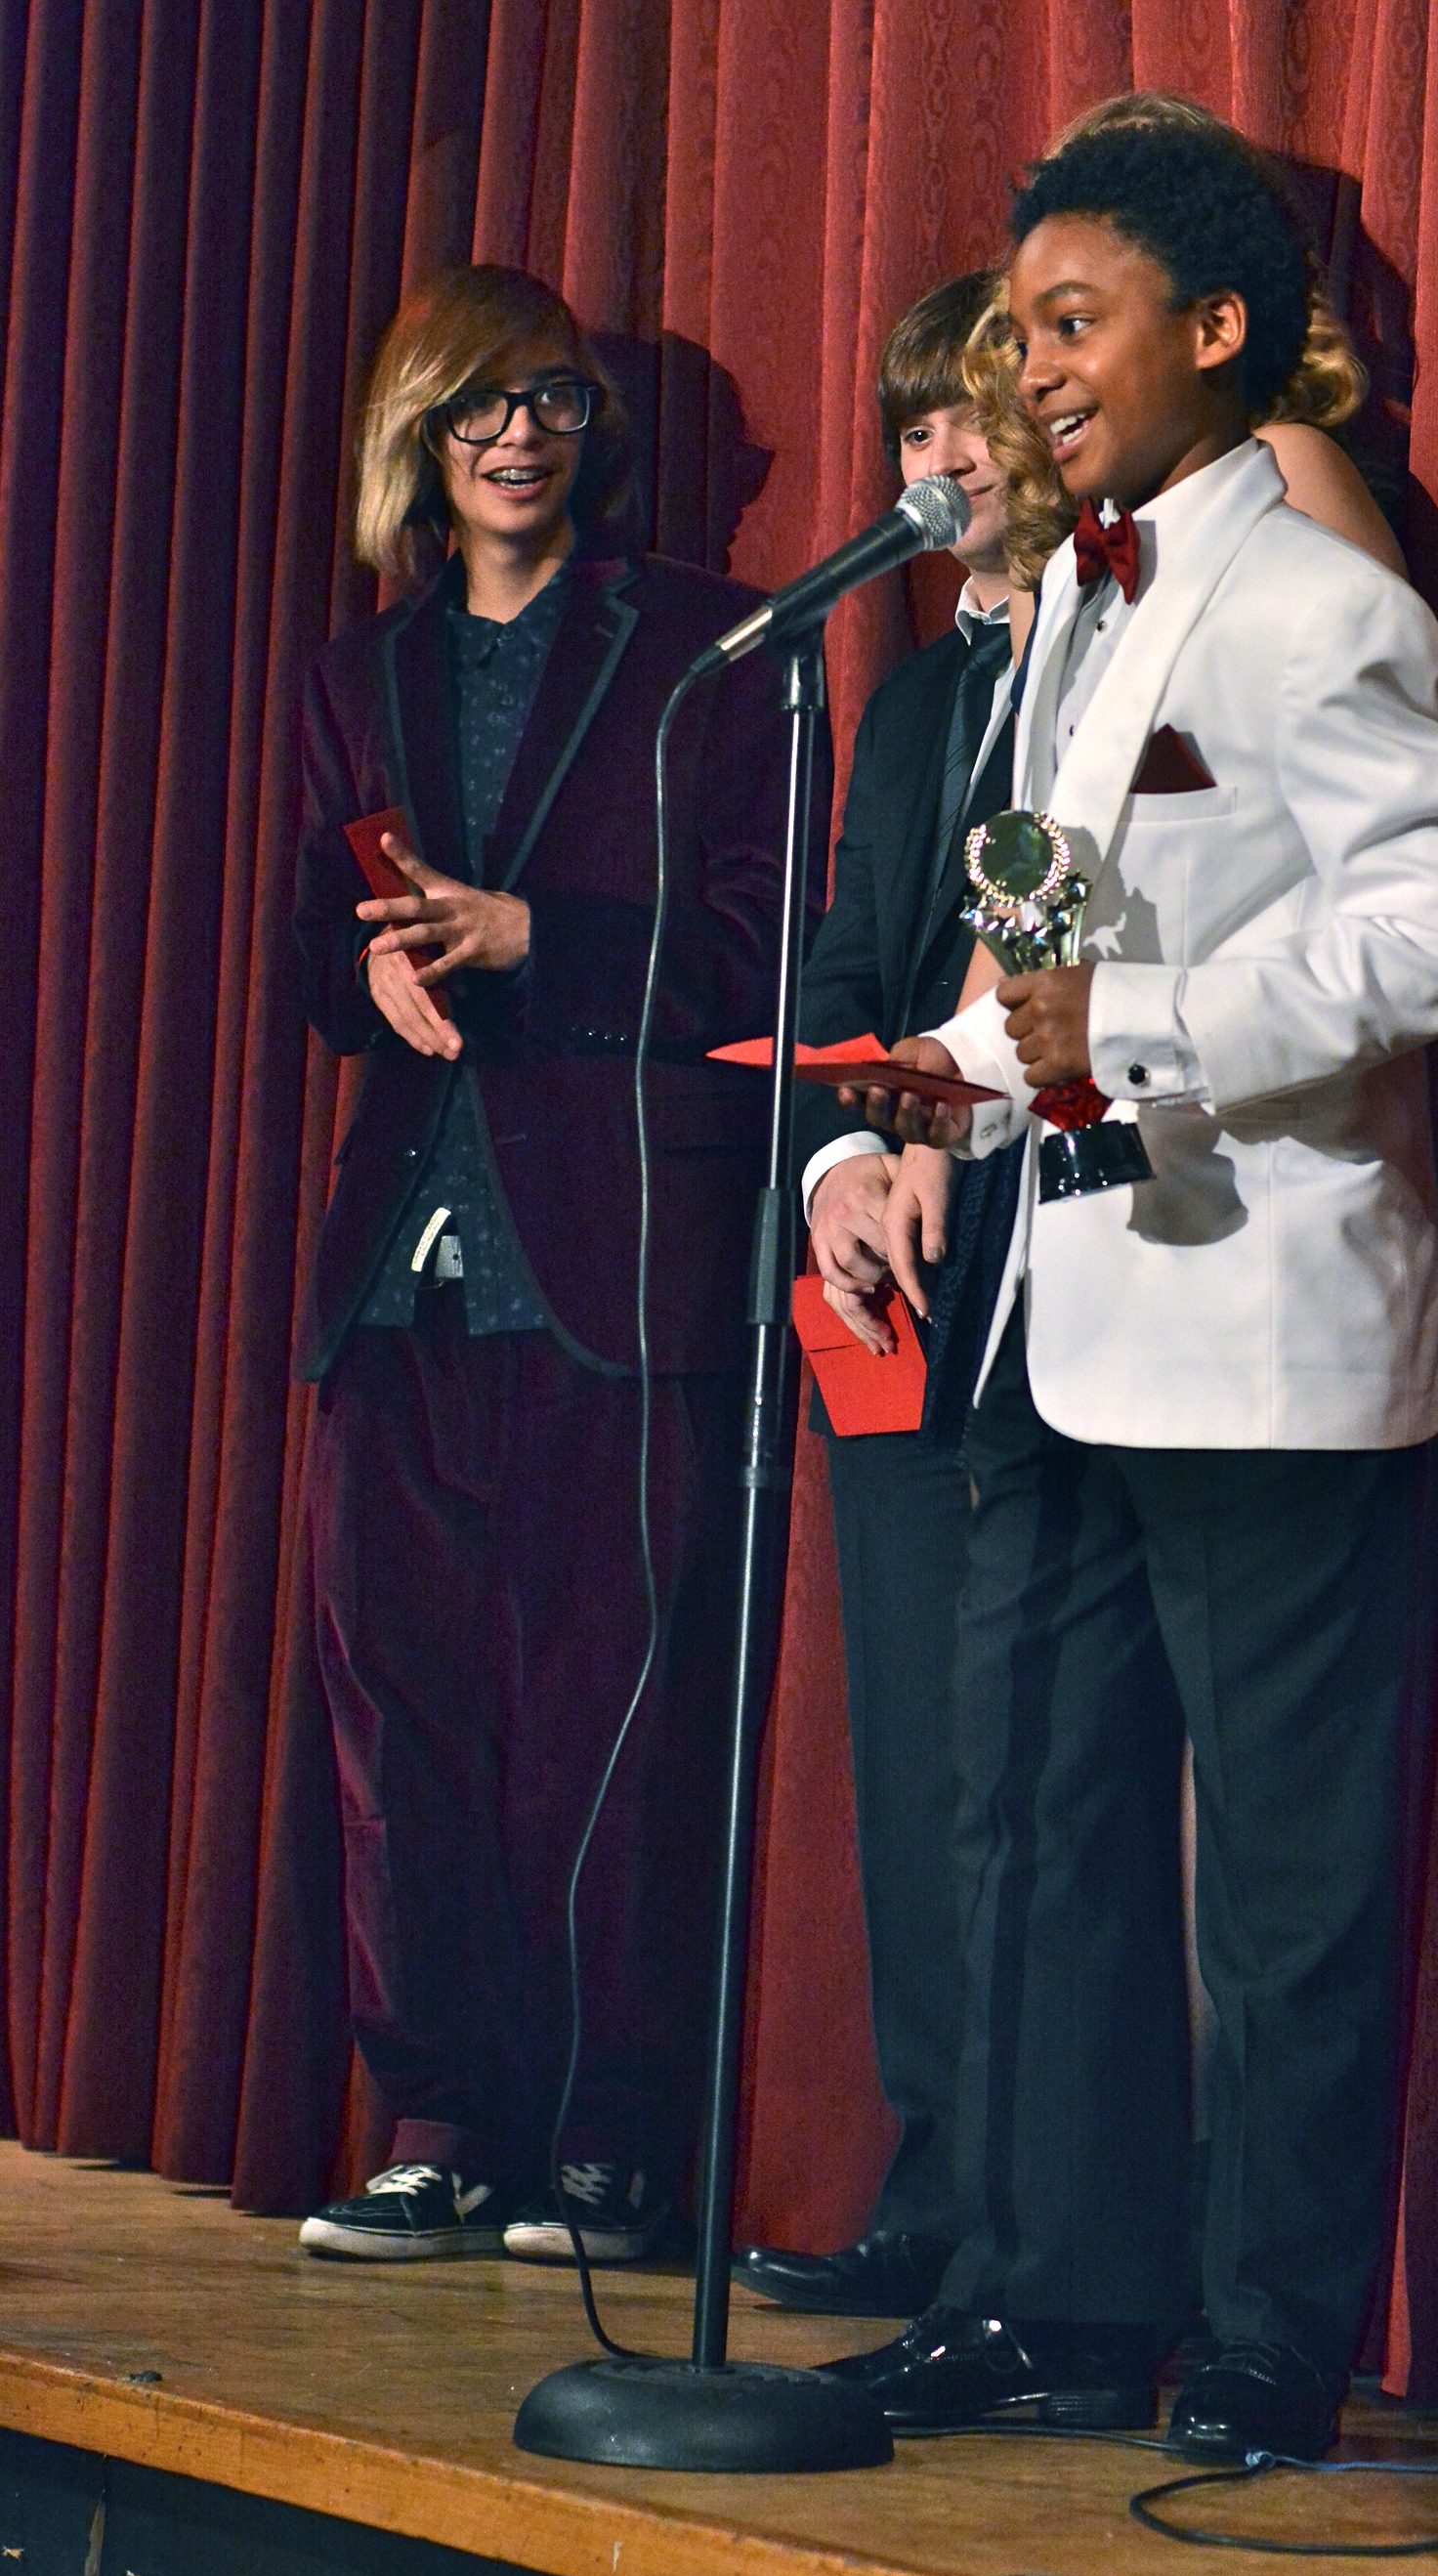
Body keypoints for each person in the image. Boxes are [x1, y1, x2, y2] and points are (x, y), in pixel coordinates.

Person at [822, 119, 1438, 2457]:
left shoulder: (1323, 600)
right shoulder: (1086, 609)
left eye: (1069, 323)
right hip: (1063, 1310)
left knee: (1286, 1882)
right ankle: (1056, 2292)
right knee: (1043, 1823)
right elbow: (1048, 962)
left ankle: (1267, 2334)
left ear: (1215, 334)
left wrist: (1144, 1035)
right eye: (1009, 330)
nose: (1026, 373)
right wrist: (920, 1094)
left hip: (1263, 1325)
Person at [290, 265, 804, 2267]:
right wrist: (381, 965)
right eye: (480, 408)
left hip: (622, 1245)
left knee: (621, 1717)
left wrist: (538, 948)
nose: (518, 439)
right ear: (418, 437)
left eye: (554, 406)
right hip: (404, 1268)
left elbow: (770, 947)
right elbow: (305, 951)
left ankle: (608, 2142)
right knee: (396, 1715)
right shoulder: (362, 672)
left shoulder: (706, 641)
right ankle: (443, 2119)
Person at [731, 273, 1021, 2321]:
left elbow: (1068, 956)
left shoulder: (1122, 662)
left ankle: (1063, 2197)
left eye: (978, 417)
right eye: (914, 430)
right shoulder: (909, 697)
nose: (941, 462)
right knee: (917, 1738)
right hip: (890, 1276)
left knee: (1051, 1757)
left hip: (1061, 1236)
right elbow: (839, 967)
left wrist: (954, 1122)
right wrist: (838, 1164)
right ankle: (937, 2171)